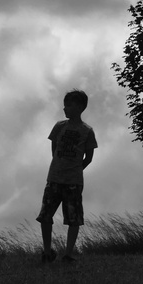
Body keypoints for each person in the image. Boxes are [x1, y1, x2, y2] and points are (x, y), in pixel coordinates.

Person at [36, 89, 98, 264]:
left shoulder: (87, 131)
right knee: (45, 216)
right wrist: (59, 166)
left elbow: (89, 157)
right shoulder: (59, 126)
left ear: (80, 107)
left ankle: (68, 254)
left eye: (69, 105)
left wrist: (76, 169)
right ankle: (47, 252)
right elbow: (54, 148)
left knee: (73, 219)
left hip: (74, 182)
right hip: (54, 179)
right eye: (65, 105)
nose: (65, 109)